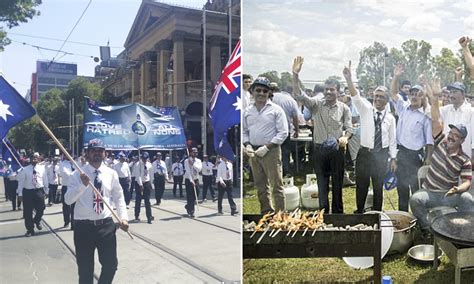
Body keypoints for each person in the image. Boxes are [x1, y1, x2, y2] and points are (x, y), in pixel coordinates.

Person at [410, 79, 473, 237]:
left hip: (448, 195)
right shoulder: (441, 143)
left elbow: (466, 181)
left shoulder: (464, 159)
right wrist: (435, 98)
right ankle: (428, 229)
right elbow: (436, 119)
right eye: (450, 133)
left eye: (456, 136)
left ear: (462, 140)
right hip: (429, 192)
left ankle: (463, 229)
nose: (451, 137)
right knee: (416, 200)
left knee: (468, 199)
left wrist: (459, 189)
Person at [292, 56, 353, 214]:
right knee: (322, 183)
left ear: (338, 92)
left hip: (337, 151)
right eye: (326, 89)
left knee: (338, 184)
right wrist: (295, 75)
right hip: (319, 150)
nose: (328, 92)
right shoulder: (316, 105)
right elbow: (299, 95)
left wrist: (345, 137)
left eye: (332, 89)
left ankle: (338, 214)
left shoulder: (344, 108)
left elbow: (349, 127)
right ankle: (323, 214)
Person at [65, 139, 129, 284]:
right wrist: (82, 185)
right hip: (83, 227)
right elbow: (68, 200)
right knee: (85, 271)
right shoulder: (77, 174)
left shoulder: (111, 173)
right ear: (87, 153)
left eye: (100, 150)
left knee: (111, 265)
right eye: (93, 150)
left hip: (105, 226)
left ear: (105, 153)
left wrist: (123, 218)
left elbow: (119, 197)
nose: (97, 153)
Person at [343, 62, 397, 213]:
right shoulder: (366, 109)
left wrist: (393, 158)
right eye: (376, 96)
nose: (378, 99)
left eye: (381, 97)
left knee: (378, 185)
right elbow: (356, 97)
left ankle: (377, 213)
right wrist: (349, 79)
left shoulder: (390, 118)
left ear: (387, 100)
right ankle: (360, 211)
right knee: (361, 184)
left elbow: (393, 140)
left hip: (381, 155)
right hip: (365, 154)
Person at [391, 65, 433, 212]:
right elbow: (394, 93)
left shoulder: (425, 116)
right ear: (409, 95)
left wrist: (428, 158)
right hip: (402, 154)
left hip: (416, 157)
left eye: (418, 94)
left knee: (416, 192)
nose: (414, 96)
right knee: (402, 190)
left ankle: (418, 220)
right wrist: (396, 76)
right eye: (412, 93)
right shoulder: (403, 108)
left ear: (422, 97)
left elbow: (429, 141)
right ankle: (403, 218)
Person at [243, 76, 288, 214]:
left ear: (269, 93)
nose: (261, 93)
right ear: (253, 91)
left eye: (264, 91)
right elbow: (244, 131)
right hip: (254, 152)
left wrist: (267, 147)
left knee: (276, 185)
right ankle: (266, 212)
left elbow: (283, 132)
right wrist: (247, 145)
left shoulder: (276, 110)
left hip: (271, 151)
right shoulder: (247, 111)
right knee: (261, 186)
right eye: (258, 90)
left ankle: (281, 214)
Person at [17, 152, 48, 237]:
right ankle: (30, 230)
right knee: (28, 212)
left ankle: (37, 220)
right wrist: (20, 194)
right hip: (28, 192)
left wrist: (47, 190)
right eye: (32, 158)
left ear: (38, 159)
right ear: (30, 159)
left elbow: (45, 180)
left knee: (41, 208)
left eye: (36, 158)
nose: (34, 159)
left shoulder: (42, 168)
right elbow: (21, 182)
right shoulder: (25, 169)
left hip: (39, 191)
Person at [134, 152, 154, 224]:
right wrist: (140, 185)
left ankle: (149, 217)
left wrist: (152, 184)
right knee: (138, 200)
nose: (144, 160)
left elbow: (151, 175)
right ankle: (137, 215)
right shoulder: (137, 165)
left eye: (145, 159)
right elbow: (138, 175)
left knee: (147, 201)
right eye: (143, 158)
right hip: (139, 183)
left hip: (147, 183)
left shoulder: (149, 164)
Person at [183, 147, 202, 217]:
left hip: (196, 179)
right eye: (194, 152)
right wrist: (191, 180)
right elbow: (188, 171)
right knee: (190, 196)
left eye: (196, 152)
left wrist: (193, 164)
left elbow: (199, 169)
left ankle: (188, 206)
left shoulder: (198, 161)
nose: (195, 153)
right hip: (189, 180)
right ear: (190, 153)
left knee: (197, 193)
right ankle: (191, 211)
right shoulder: (186, 161)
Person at [59, 153, 75, 228]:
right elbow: (64, 173)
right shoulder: (62, 164)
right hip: (66, 186)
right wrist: (75, 175)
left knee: (74, 206)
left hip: (74, 187)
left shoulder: (76, 163)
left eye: (70, 155)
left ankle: (73, 223)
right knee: (66, 205)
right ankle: (66, 221)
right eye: (66, 155)